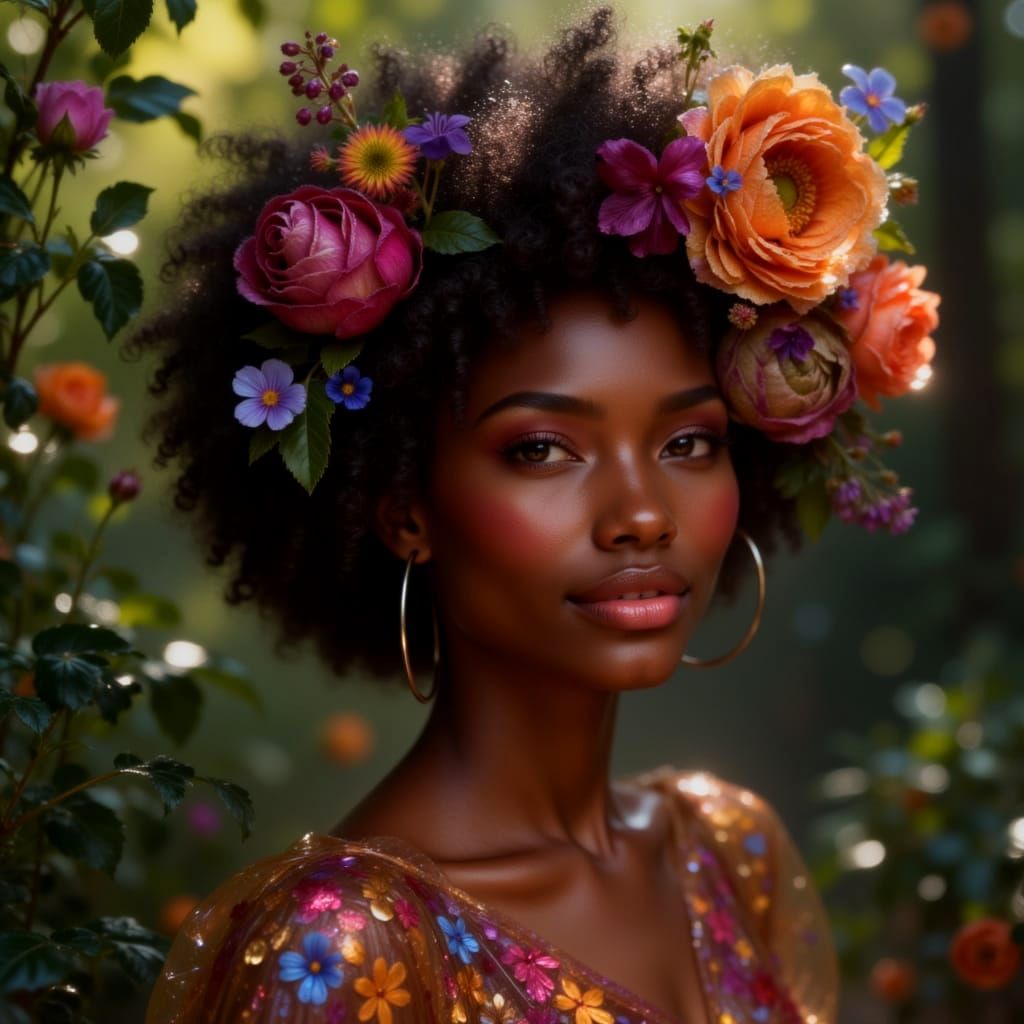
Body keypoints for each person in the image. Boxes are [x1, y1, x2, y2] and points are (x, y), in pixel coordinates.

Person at [132, 4, 940, 1020]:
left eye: (687, 441)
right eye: (543, 448)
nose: (641, 513)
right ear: (401, 508)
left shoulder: (730, 851)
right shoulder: (344, 945)